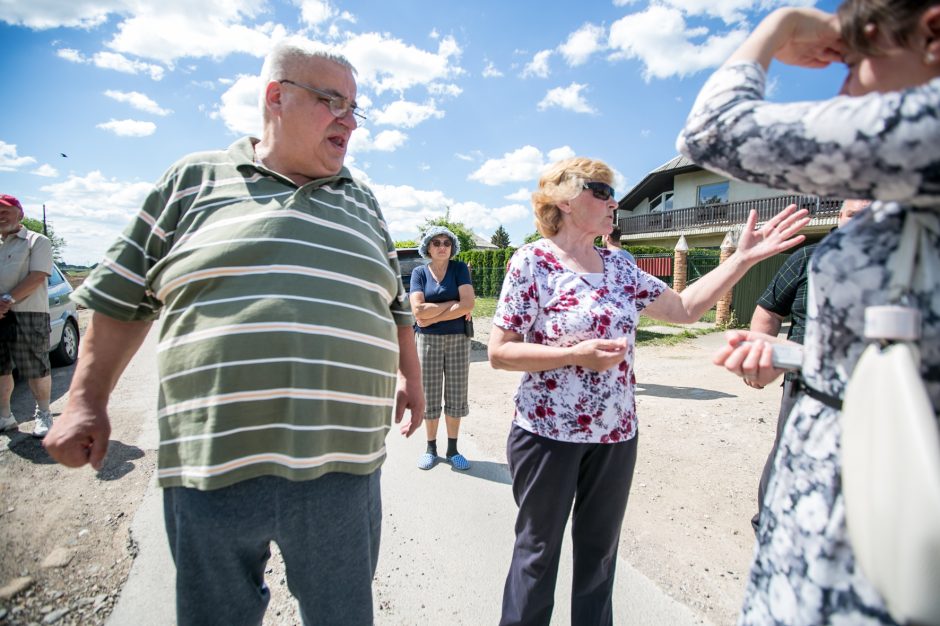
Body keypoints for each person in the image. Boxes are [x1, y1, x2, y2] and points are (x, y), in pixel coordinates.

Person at [43, 39, 425, 626]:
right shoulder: (191, 180)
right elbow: (121, 298)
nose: (349, 121)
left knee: (343, 615)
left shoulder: (363, 200)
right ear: (276, 96)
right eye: (333, 102)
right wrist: (84, 402)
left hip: (342, 468)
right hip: (211, 465)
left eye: (356, 109)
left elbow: (395, 305)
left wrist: (410, 376)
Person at [677, 1, 940, 623]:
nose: (844, 90)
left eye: (855, 61)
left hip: (885, 504)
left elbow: (715, 132)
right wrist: (786, 357)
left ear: (932, 32)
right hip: (817, 507)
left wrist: (774, 32)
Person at [488, 156, 808, 626]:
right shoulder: (532, 262)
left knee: (598, 559)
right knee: (537, 556)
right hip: (546, 435)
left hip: (616, 437)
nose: (612, 200)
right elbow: (500, 352)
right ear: (563, 200)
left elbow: (683, 309)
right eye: (599, 190)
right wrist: (574, 356)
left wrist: (742, 258)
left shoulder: (620, 263)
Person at [748, 198, 869, 532]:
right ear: (840, 218)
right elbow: (769, 310)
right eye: (853, 216)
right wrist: (762, 361)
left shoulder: (904, 264)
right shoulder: (808, 258)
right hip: (806, 381)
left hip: (876, 387)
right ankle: (770, 525)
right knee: (790, 449)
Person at [409, 226, 475, 471]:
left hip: (458, 339)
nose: (441, 246)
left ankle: (453, 449)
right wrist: (453, 306)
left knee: (457, 394)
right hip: (427, 341)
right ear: (428, 246)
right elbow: (417, 310)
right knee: (430, 394)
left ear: (452, 247)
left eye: (446, 242)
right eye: (436, 242)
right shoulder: (419, 273)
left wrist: (432, 316)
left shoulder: (459, 269)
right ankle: (431, 448)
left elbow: (469, 303)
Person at [0, 194, 54, 438]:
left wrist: (6, 300)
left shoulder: (36, 241)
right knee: (1, 368)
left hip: (27, 312)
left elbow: (38, 276)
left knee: (35, 367)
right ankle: (5, 416)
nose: (1, 215)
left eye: (6, 210)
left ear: (20, 213)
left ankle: (43, 414)